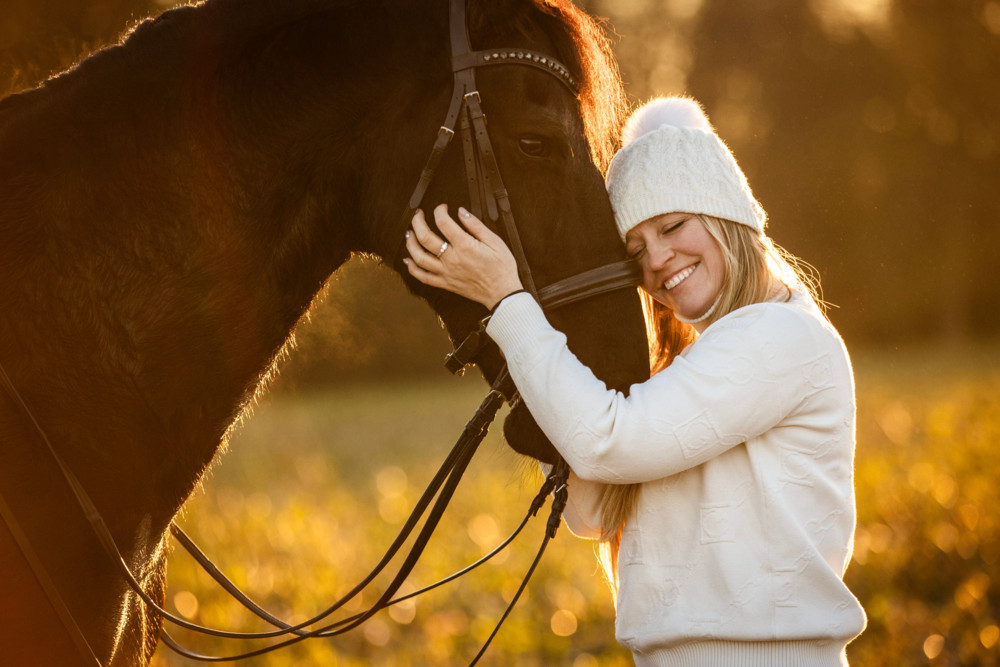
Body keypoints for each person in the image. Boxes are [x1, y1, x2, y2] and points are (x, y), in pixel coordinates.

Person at [403, 96, 866, 666]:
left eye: (673, 225)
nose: (659, 260)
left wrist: (507, 300)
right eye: (636, 250)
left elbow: (607, 442)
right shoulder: (698, 362)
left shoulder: (780, 336)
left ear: (726, 213)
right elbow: (594, 512)